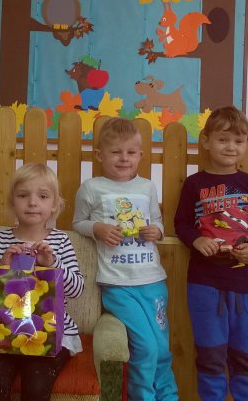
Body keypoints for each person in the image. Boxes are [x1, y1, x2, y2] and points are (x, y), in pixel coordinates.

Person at [174, 106, 248, 401]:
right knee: (210, 356)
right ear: (206, 141)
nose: (231, 147)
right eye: (222, 139)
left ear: (246, 144)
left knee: (244, 357)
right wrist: (196, 241)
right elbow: (181, 224)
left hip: (245, 285)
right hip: (204, 284)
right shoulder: (194, 184)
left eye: (238, 141)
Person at [73, 117, 178, 401]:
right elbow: (78, 223)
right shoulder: (91, 187)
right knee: (145, 348)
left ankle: (168, 397)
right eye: (116, 152)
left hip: (153, 282)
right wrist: (97, 228)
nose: (124, 158)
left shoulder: (147, 187)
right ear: (100, 155)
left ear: (140, 155)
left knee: (162, 349)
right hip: (118, 286)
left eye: (131, 152)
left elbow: (157, 221)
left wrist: (157, 231)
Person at [0, 163, 85, 401]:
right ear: (12, 202)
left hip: (51, 333)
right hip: (3, 331)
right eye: (23, 195)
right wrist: (1, 266)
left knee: (36, 387)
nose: (32, 202)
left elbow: (77, 290)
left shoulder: (61, 242)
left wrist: (52, 264)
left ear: (54, 205)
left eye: (43, 196)